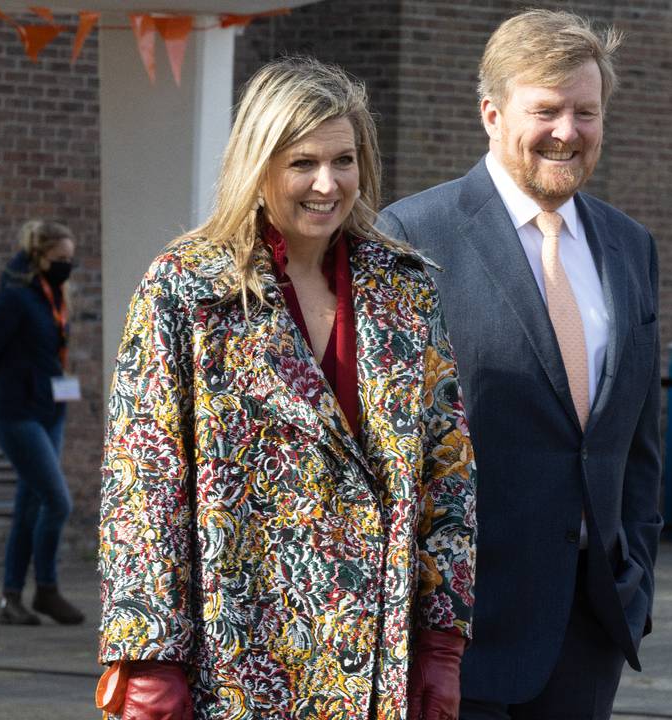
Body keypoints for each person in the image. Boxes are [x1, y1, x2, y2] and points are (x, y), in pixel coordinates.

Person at [96, 57, 477, 720]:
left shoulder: (404, 287)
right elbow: (143, 484)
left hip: (376, 664)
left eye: (343, 160)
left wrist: (442, 641)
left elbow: (449, 473)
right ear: (259, 164)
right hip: (236, 659)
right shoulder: (187, 290)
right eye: (303, 163)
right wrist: (150, 661)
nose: (328, 184)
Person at [377, 9, 663, 718]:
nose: (568, 131)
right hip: (459, 632)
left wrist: (636, 572)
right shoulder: (411, 237)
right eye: (546, 110)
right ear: (492, 114)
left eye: (585, 112)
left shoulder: (630, 246)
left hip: (591, 622)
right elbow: (386, 449)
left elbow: (639, 439)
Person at [0, 220, 85, 627]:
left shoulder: (56, 296)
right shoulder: (13, 299)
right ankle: (46, 589)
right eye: (60, 258)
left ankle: (12, 598)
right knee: (57, 501)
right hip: (16, 412)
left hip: (50, 410)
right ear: (39, 257)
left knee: (30, 506)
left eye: (70, 258)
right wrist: (15, 382)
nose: (66, 265)